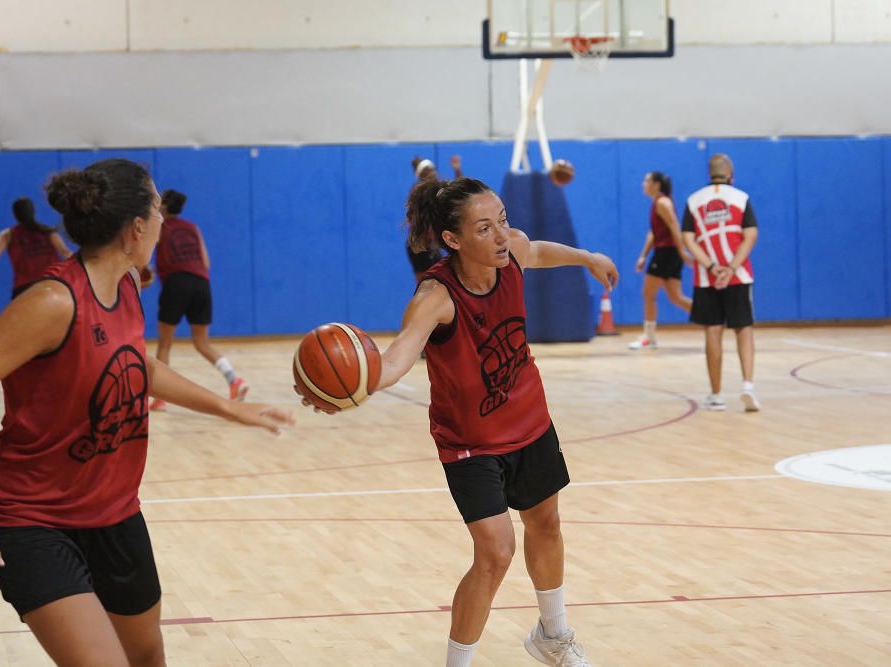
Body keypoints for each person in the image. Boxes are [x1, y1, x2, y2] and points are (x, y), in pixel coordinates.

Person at [0, 159, 294, 667]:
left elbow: (134, 364)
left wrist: (226, 409)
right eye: (158, 209)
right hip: (30, 519)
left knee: (147, 657)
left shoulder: (127, 283)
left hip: (114, 512)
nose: (164, 220)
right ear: (136, 227)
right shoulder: (53, 302)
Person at [300, 177, 617, 666]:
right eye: (485, 228)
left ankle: (553, 635)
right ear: (453, 240)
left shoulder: (510, 252)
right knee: (495, 554)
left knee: (546, 523)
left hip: (530, 421)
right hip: (470, 443)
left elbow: (538, 250)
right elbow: (397, 358)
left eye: (503, 221)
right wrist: (352, 384)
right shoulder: (435, 296)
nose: (500, 235)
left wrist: (588, 257)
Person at [148, 189, 247, 411]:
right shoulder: (193, 228)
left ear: (163, 207)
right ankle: (234, 380)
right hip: (201, 284)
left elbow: (146, 252)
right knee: (202, 343)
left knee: (165, 343)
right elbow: (206, 262)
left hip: (176, 283)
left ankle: (160, 398)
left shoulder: (160, 225)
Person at [681, 153, 760, 412]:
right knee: (744, 329)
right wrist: (731, 268)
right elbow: (750, 235)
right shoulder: (741, 198)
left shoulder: (694, 201)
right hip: (738, 276)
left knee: (713, 331)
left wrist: (713, 268)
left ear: (710, 174)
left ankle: (716, 395)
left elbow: (689, 240)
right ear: (731, 174)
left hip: (707, 279)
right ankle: (748, 386)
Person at [0, 198, 73, 314]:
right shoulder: (48, 232)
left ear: (15, 215)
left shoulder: (8, 235)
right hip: (50, 287)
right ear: (33, 212)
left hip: (24, 291)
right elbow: (66, 253)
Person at [628, 171, 692, 349]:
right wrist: (643, 255)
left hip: (666, 253)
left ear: (656, 184)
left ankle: (649, 338)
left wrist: (682, 251)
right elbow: (653, 233)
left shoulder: (663, 202)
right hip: (666, 252)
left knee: (648, 294)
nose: (643, 184)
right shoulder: (658, 202)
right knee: (676, 297)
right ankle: (712, 318)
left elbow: (674, 226)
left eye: (646, 180)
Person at [405, 155, 462, 283]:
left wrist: (457, 169)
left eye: (433, 169)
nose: (433, 172)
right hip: (420, 242)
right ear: (421, 175)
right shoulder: (418, 191)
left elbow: (459, 190)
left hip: (430, 243)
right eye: (428, 171)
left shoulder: (436, 190)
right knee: (425, 282)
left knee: (438, 280)